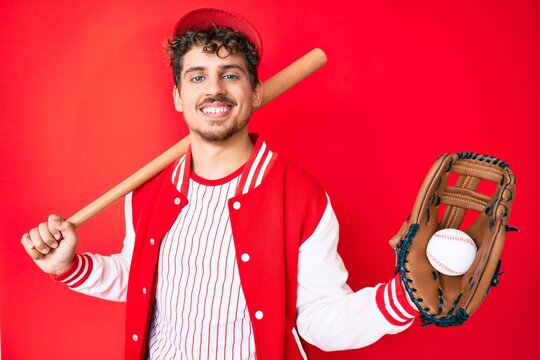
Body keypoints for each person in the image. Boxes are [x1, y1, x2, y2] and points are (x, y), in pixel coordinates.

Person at [21, 8, 419, 360]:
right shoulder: (147, 193)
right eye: (198, 77)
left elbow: (320, 319)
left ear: (256, 92)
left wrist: (402, 298)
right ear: (178, 96)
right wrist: (69, 267)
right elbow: (140, 278)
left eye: (231, 74)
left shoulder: (301, 198)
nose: (214, 89)